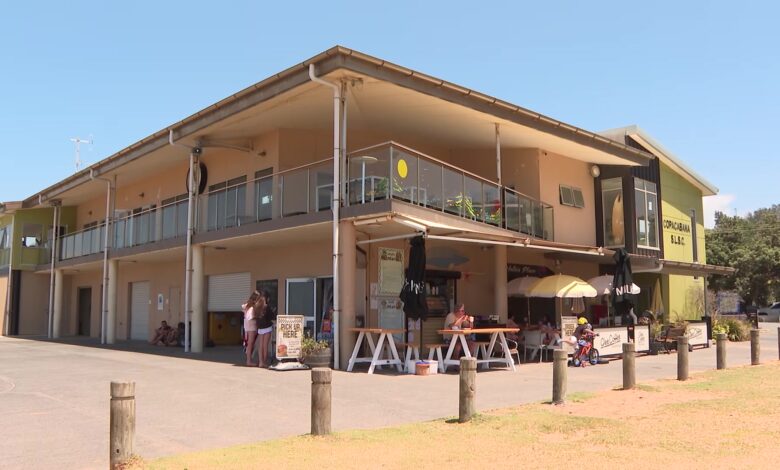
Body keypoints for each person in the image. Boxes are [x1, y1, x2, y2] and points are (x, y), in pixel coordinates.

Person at [255, 290, 277, 368]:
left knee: (260, 346)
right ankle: (264, 362)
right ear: (267, 298)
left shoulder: (257, 306)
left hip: (260, 328)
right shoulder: (266, 307)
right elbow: (272, 317)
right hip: (267, 327)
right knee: (265, 346)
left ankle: (260, 362)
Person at [243, 290, 262, 366]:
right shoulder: (253, 307)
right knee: (250, 343)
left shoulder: (247, 304)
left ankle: (249, 360)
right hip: (251, 324)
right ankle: (249, 361)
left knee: (249, 343)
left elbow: (245, 314)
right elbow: (250, 317)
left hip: (247, 325)